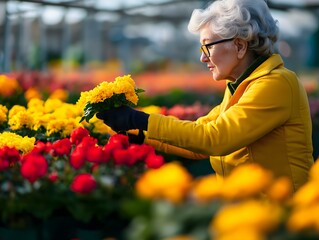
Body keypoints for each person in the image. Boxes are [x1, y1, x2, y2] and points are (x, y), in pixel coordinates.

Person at [97, 0, 314, 192]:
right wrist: (140, 134)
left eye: (207, 46)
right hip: (246, 208)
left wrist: (138, 120)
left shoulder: (276, 83)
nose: (202, 57)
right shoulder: (242, 85)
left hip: (280, 214)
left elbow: (214, 138)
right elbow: (199, 143)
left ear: (239, 46)